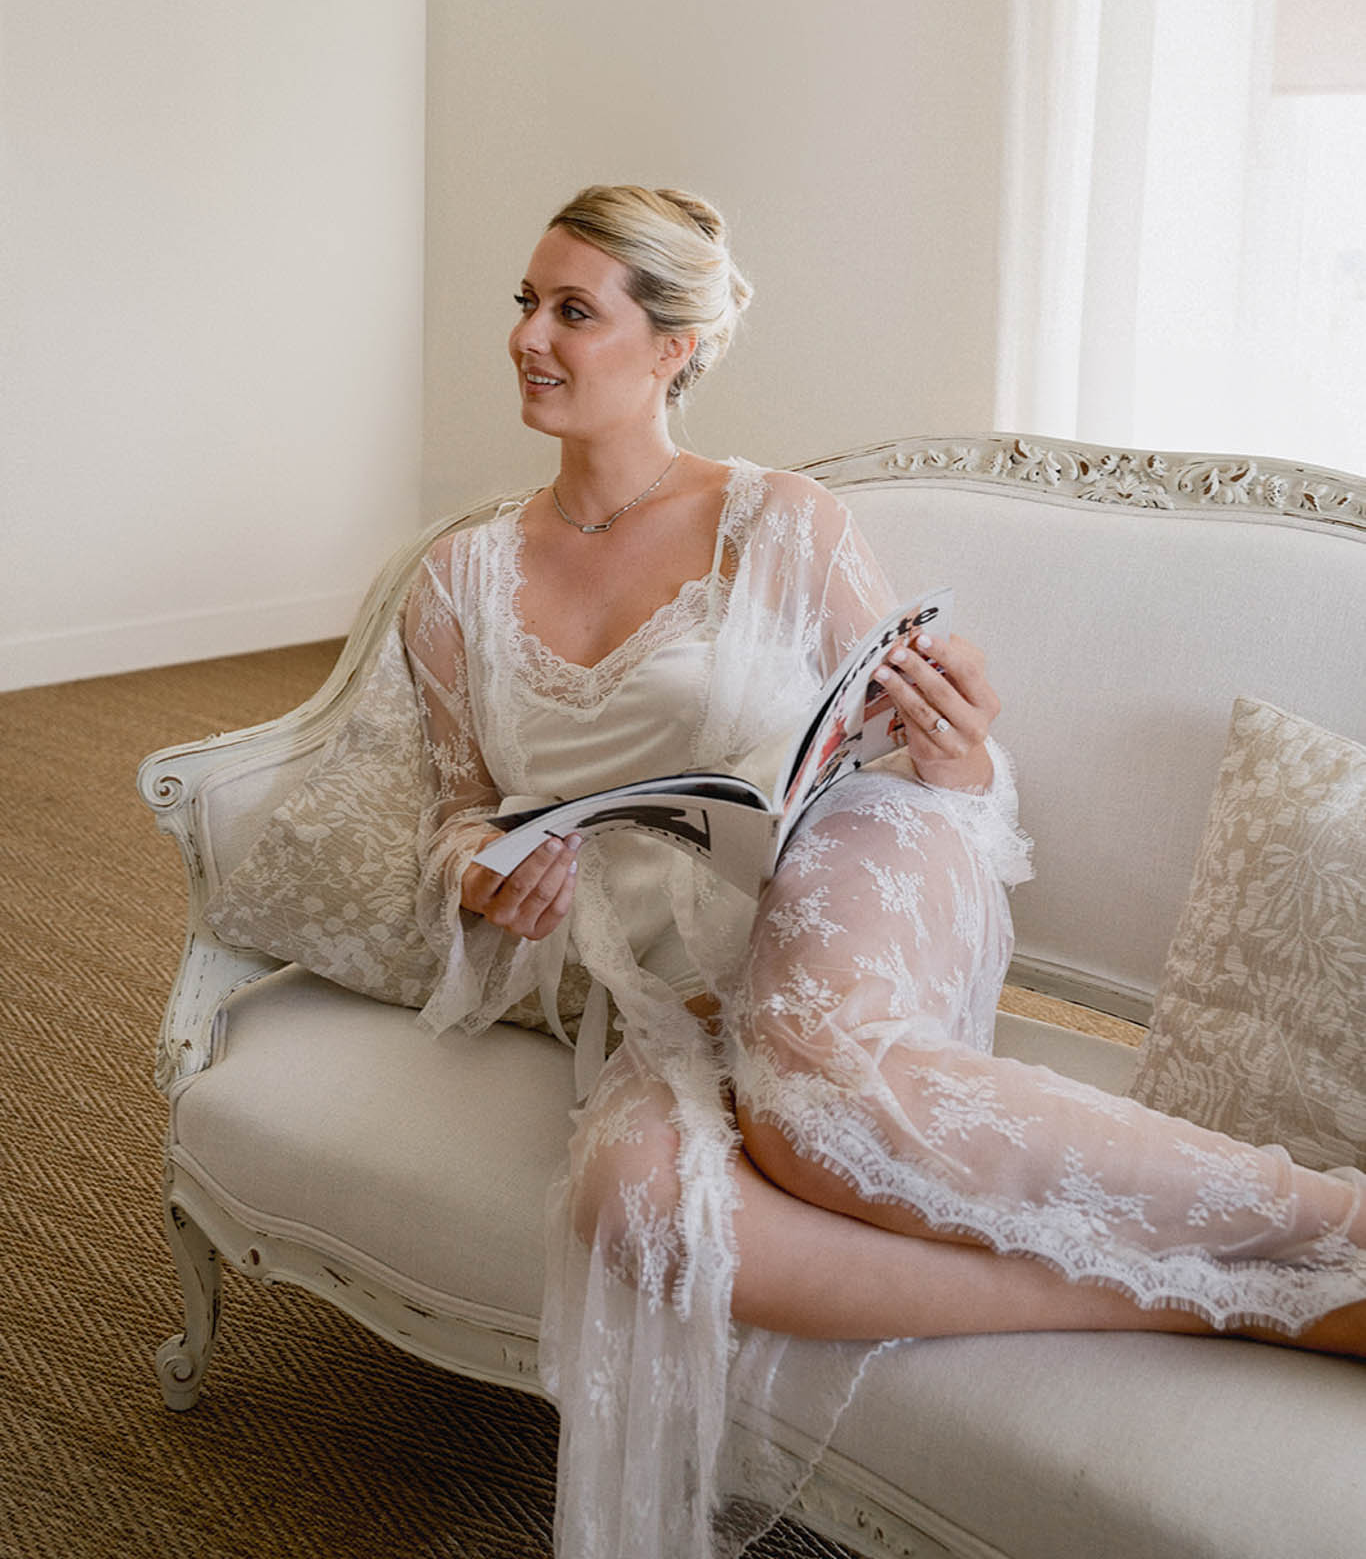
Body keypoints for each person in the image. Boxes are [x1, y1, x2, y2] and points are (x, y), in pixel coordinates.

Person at [402, 185, 1366, 1559]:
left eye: (572, 310)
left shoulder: (782, 521)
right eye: (524, 303)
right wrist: (483, 872)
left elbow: (933, 767)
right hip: (659, 954)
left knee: (807, 1090)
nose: (528, 338)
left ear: (672, 346)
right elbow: (458, 807)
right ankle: (1253, 1300)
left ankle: (1341, 1217)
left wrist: (959, 742)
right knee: (639, 1207)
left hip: (853, 863)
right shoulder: (458, 582)